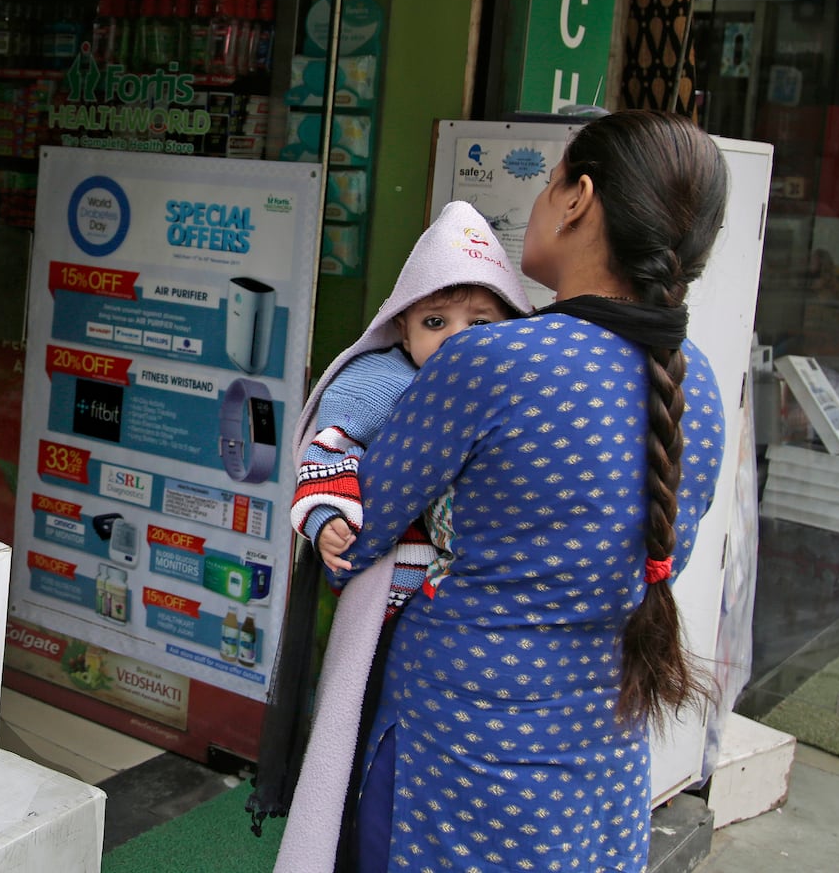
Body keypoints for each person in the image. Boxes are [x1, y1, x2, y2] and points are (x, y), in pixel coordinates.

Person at [331, 111, 729, 873]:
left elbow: (356, 533)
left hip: (453, 755)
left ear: (579, 198)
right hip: (599, 763)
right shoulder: (695, 385)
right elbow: (658, 559)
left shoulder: (488, 361)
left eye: (550, 187)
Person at [260, 202, 531, 870]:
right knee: (357, 722)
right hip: (386, 590)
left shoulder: (519, 394)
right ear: (402, 328)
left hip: (462, 608)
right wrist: (328, 520)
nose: (457, 338)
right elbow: (328, 450)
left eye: (480, 322)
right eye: (436, 322)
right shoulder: (382, 381)